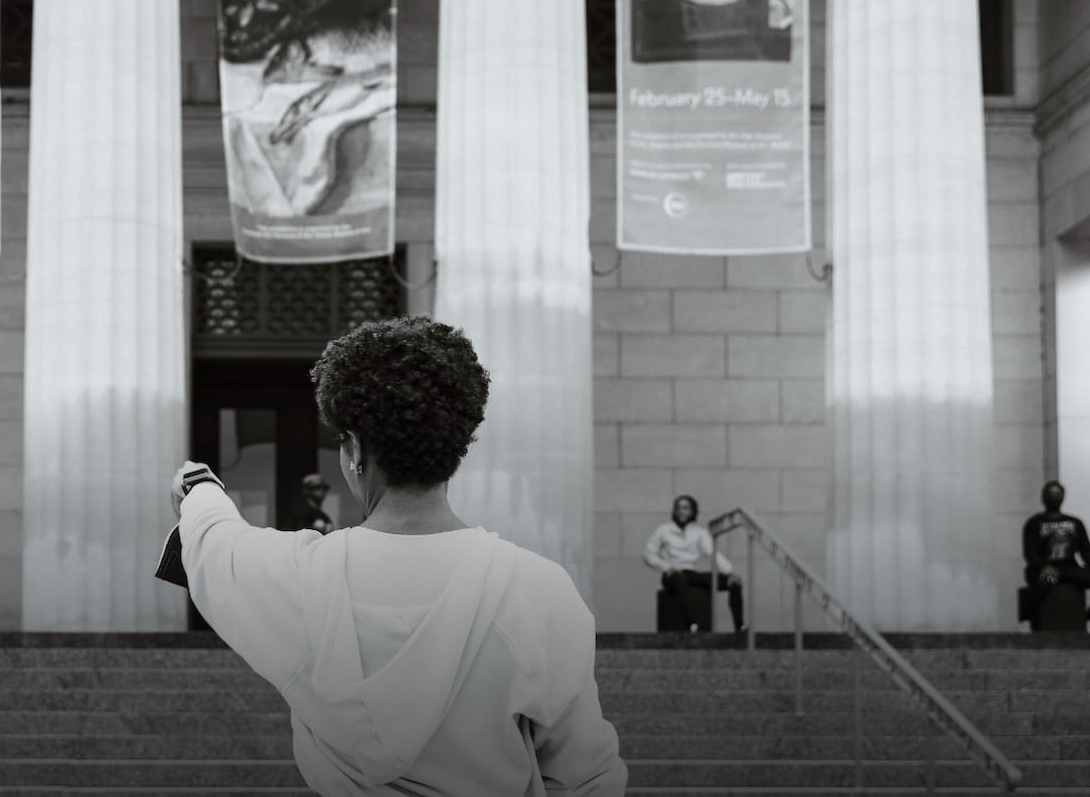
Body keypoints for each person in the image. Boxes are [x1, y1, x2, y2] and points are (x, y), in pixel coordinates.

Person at [171, 316, 626, 796]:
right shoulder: (539, 590)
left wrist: (199, 487)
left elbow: (216, 541)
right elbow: (586, 777)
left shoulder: (298, 576)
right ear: (458, 444)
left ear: (356, 449)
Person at [643, 494, 746, 633]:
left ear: (692, 511)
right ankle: (691, 623)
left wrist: (729, 572)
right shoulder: (663, 530)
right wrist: (666, 567)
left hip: (691, 573)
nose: (681, 511)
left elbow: (712, 553)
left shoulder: (699, 533)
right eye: (678, 508)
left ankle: (740, 626)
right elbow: (648, 554)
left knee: (733, 582)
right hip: (671, 574)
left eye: (686, 508)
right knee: (679, 579)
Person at [1022, 480, 1090, 618]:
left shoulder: (1075, 522)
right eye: (1051, 493)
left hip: (1070, 570)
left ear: (1063, 496)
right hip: (1048, 570)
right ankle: (1033, 617)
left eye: (1057, 493)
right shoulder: (1034, 523)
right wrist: (1043, 566)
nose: (1054, 497)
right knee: (1045, 584)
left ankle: (1085, 615)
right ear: (1044, 497)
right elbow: (1030, 553)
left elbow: (1086, 551)